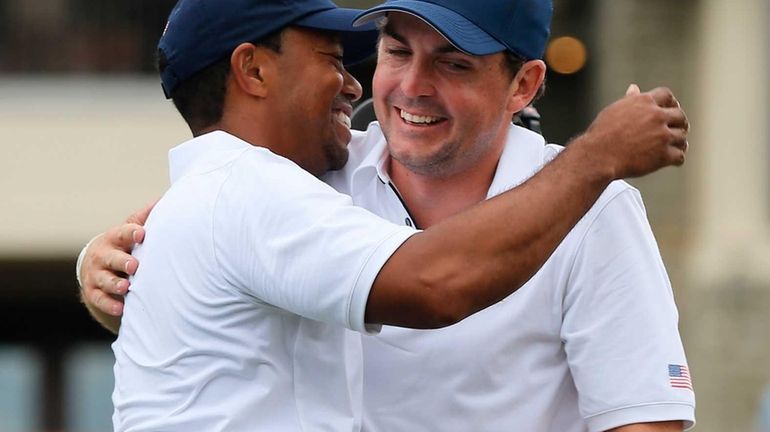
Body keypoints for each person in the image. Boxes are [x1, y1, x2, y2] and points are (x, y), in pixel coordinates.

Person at [79, 0, 693, 431]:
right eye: (395, 52)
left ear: (524, 85)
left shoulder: (597, 208)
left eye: (453, 62)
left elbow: (641, 418)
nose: (403, 86)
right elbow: (435, 283)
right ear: (253, 70)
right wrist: (104, 269)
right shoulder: (298, 181)